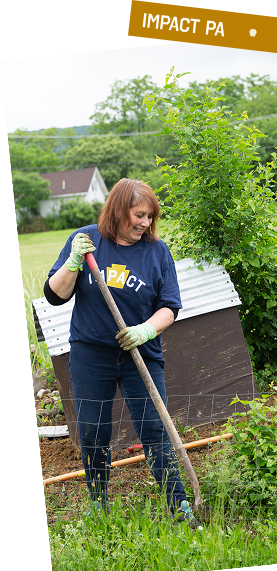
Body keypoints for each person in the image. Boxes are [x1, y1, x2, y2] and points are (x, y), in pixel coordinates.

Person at [44, 178, 199, 527]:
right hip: (91, 355)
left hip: (140, 354)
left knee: (155, 429)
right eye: (139, 215)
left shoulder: (157, 251)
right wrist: (72, 263)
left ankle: (179, 505)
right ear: (118, 211)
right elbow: (55, 295)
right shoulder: (86, 241)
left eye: (150, 216)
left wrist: (145, 330)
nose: (145, 223)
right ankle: (98, 503)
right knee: (93, 431)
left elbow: (170, 307)